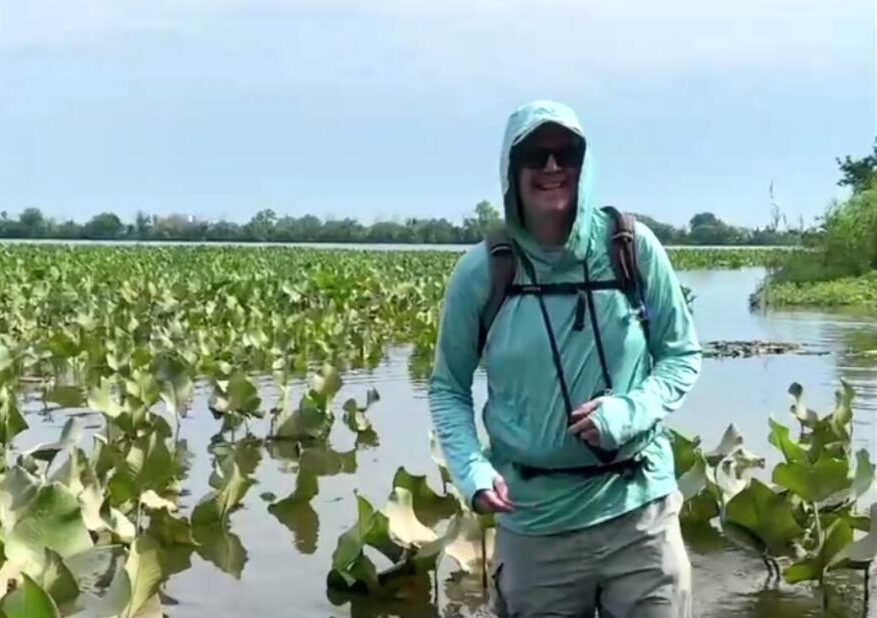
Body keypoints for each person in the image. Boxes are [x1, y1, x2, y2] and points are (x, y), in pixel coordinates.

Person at [428, 100, 702, 617]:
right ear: (512, 170)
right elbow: (447, 387)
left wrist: (628, 412)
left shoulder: (631, 248)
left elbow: (681, 356)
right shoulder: (484, 271)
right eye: (535, 155)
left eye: (565, 153)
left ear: (585, 162)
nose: (552, 168)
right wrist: (471, 471)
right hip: (535, 524)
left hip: (640, 510)